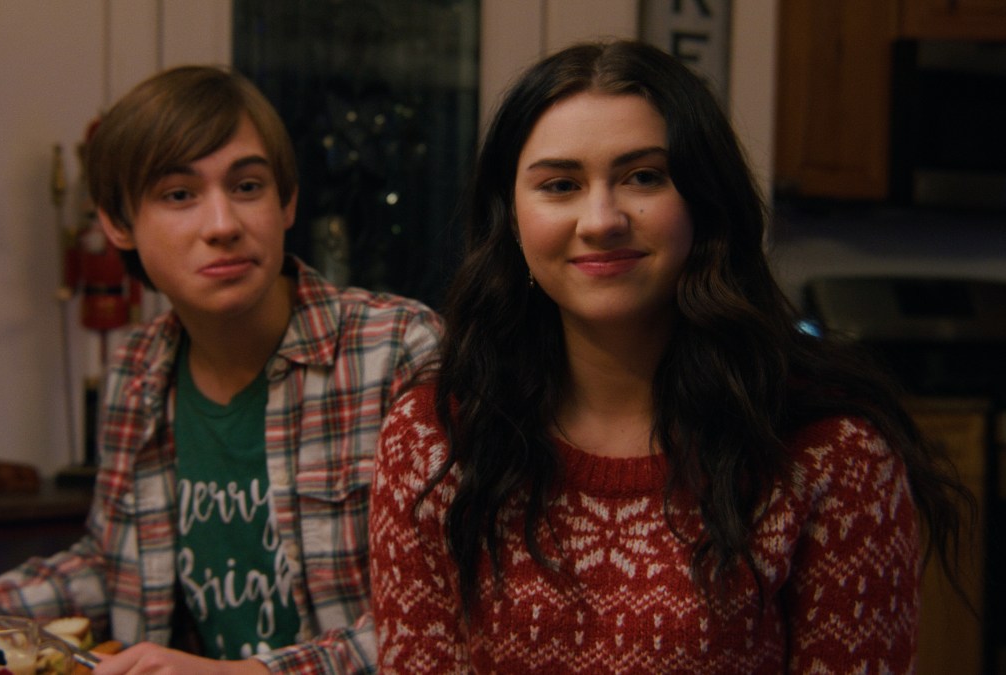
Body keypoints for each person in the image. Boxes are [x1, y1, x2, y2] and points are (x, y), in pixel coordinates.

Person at [368, 40, 970, 673]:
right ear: (511, 219)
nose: (601, 219)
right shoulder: (434, 440)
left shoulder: (830, 453)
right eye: (560, 185)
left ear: (704, 205)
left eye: (643, 177)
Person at [0, 65, 442, 674]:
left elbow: (448, 616)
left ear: (287, 202)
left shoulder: (397, 354)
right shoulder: (140, 366)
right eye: (179, 195)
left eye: (248, 186)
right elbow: (112, 566)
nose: (223, 224)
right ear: (118, 224)